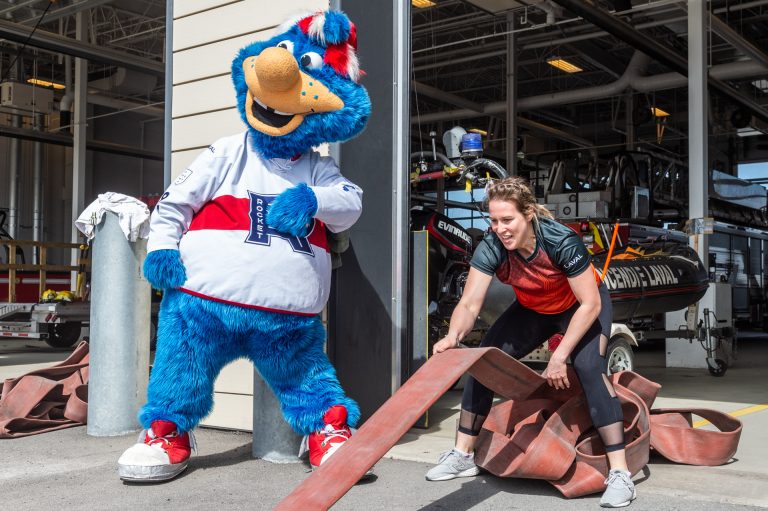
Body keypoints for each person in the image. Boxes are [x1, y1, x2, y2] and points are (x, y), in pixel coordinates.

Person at [425, 176, 635, 508]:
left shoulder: (561, 241)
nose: (500, 229)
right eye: (494, 221)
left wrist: (559, 355)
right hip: (534, 308)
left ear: (529, 214)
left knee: (588, 367)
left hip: (580, 307)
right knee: (483, 361)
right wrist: (453, 337)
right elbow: (469, 303)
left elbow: (590, 304)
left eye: (507, 220)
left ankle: (621, 473)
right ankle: (463, 454)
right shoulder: (492, 246)